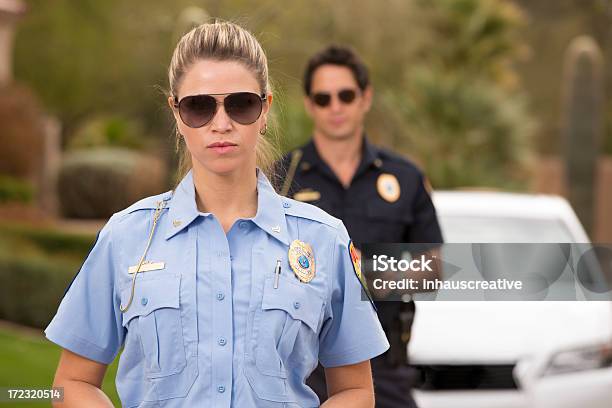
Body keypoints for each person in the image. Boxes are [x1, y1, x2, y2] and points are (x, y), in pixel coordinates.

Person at [45, 22, 389, 408]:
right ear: (176, 112)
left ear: (264, 110)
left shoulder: (326, 239)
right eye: (199, 106)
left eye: (241, 104)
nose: (221, 123)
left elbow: (356, 391)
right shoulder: (125, 236)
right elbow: (70, 383)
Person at [276, 46, 443, 408]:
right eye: (323, 98)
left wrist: (362, 277)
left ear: (365, 98)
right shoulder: (281, 178)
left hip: (386, 364)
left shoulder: (405, 177)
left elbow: (432, 268)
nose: (335, 107)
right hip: (304, 366)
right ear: (309, 105)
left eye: (346, 95)